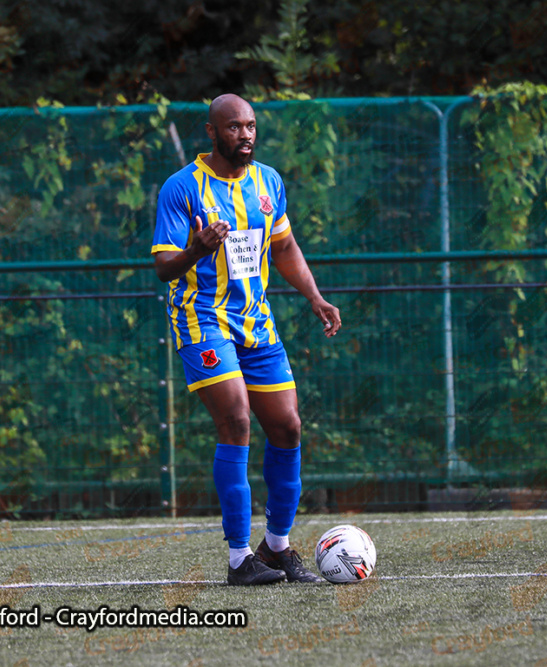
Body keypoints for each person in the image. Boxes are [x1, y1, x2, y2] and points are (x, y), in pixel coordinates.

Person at [151, 93, 341, 585]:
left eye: (252, 125)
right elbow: (162, 266)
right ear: (212, 132)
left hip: (256, 323)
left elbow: (284, 246)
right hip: (202, 320)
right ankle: (239, 559)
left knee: (288, 428)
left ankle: (276, 547)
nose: (247, 135)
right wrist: (195, 249)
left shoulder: (268, 182)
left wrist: (315, 297)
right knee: (236, 420)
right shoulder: (182, 188)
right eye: (234, 127)